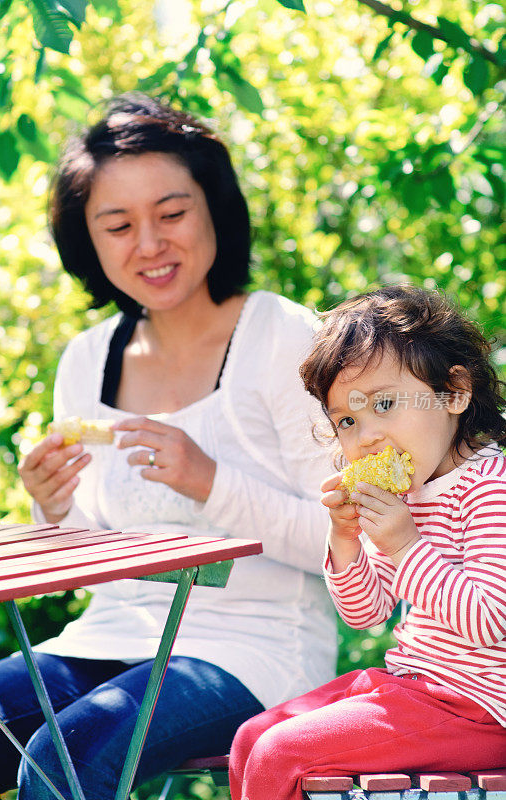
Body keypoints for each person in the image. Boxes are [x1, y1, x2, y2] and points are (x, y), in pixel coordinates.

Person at [0, 95, 338, 800]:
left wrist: (211, 481)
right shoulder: (87, 358)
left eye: (171, 214)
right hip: (105, 637)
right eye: (117, 225)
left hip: (255, 650)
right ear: (88, 239)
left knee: (64, 759)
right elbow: (104, 563)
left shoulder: (282, 336)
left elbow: (343, 543)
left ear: (213, 209)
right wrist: (56, 513)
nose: (148, 244)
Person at [229, 285, 506, 800]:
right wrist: (346, 540)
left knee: (279, 755)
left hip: (480, 709)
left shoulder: (490, 487)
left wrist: (404, 545)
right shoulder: (412, 490)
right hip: (415, 686)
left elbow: (492, 620)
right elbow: (368, 613)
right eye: (348, 421)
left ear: (455, 393)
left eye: (385, 403)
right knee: (250, 738)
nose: (368, 437)